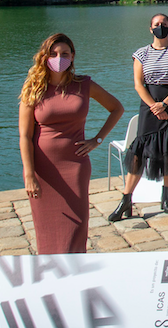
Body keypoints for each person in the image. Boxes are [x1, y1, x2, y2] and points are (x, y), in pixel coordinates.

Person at [19, 34, 124, 253]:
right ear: (45, 57)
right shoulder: (33, 88)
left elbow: (116, 108)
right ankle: (50, 275)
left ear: (72, 56)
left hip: (75, 166)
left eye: (64, 54)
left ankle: (75, 274)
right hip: (43, 169)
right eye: (54, 54)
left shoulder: (84, 85)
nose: (59, 58)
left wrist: (97, 140)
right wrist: (29, 175)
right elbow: (25, 136)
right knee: (46, 228)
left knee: (77, 225)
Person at [110, 13, 168, 222]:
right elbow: (138, 84)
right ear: (151, 28)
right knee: (139, 153)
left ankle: (166, 195)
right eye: (157, 24)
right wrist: (154, 106)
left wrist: (165, 103)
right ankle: (126, 198)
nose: (161, 27)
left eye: (164, 24)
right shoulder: (140, 54)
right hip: (149, 106)